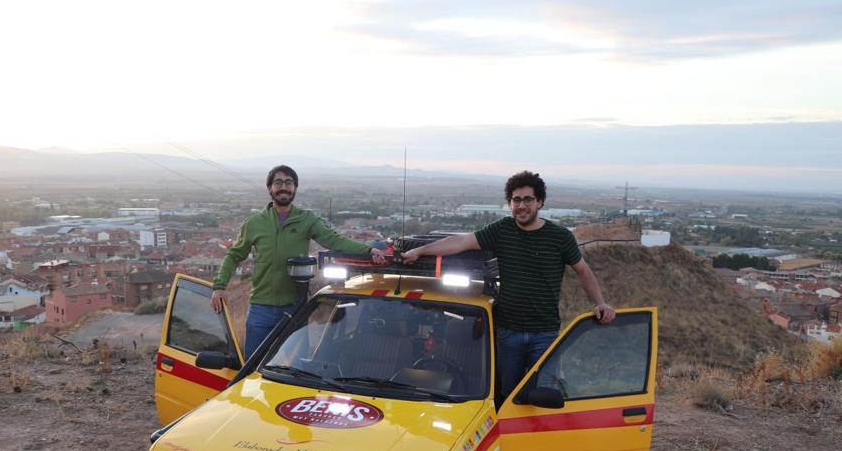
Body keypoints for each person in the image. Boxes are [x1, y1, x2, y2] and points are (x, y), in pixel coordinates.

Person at [402, 170, 615, 399]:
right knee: (508, 396)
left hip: (544, 333)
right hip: (508, 332)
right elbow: (461, 242)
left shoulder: (560, 237)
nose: (521, 205)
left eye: (527, 199)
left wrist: (599, 303)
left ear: (540, 202)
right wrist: (420, 251)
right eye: (516, 200)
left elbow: (583, 270)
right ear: (509, 203)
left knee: (543, 395)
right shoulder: (502, 230)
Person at [211, 164, 387, 358]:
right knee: (253, 364)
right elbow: (235, 255)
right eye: (278, 182)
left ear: (295, 188)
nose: (283, 187)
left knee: (295, 366)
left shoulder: (307, 219)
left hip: (294, 307)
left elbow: (335, 240)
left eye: (289, 182)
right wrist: (219, 287)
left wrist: (369, 249)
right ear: (270, 188)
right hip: (260, 308)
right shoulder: (254, 223)